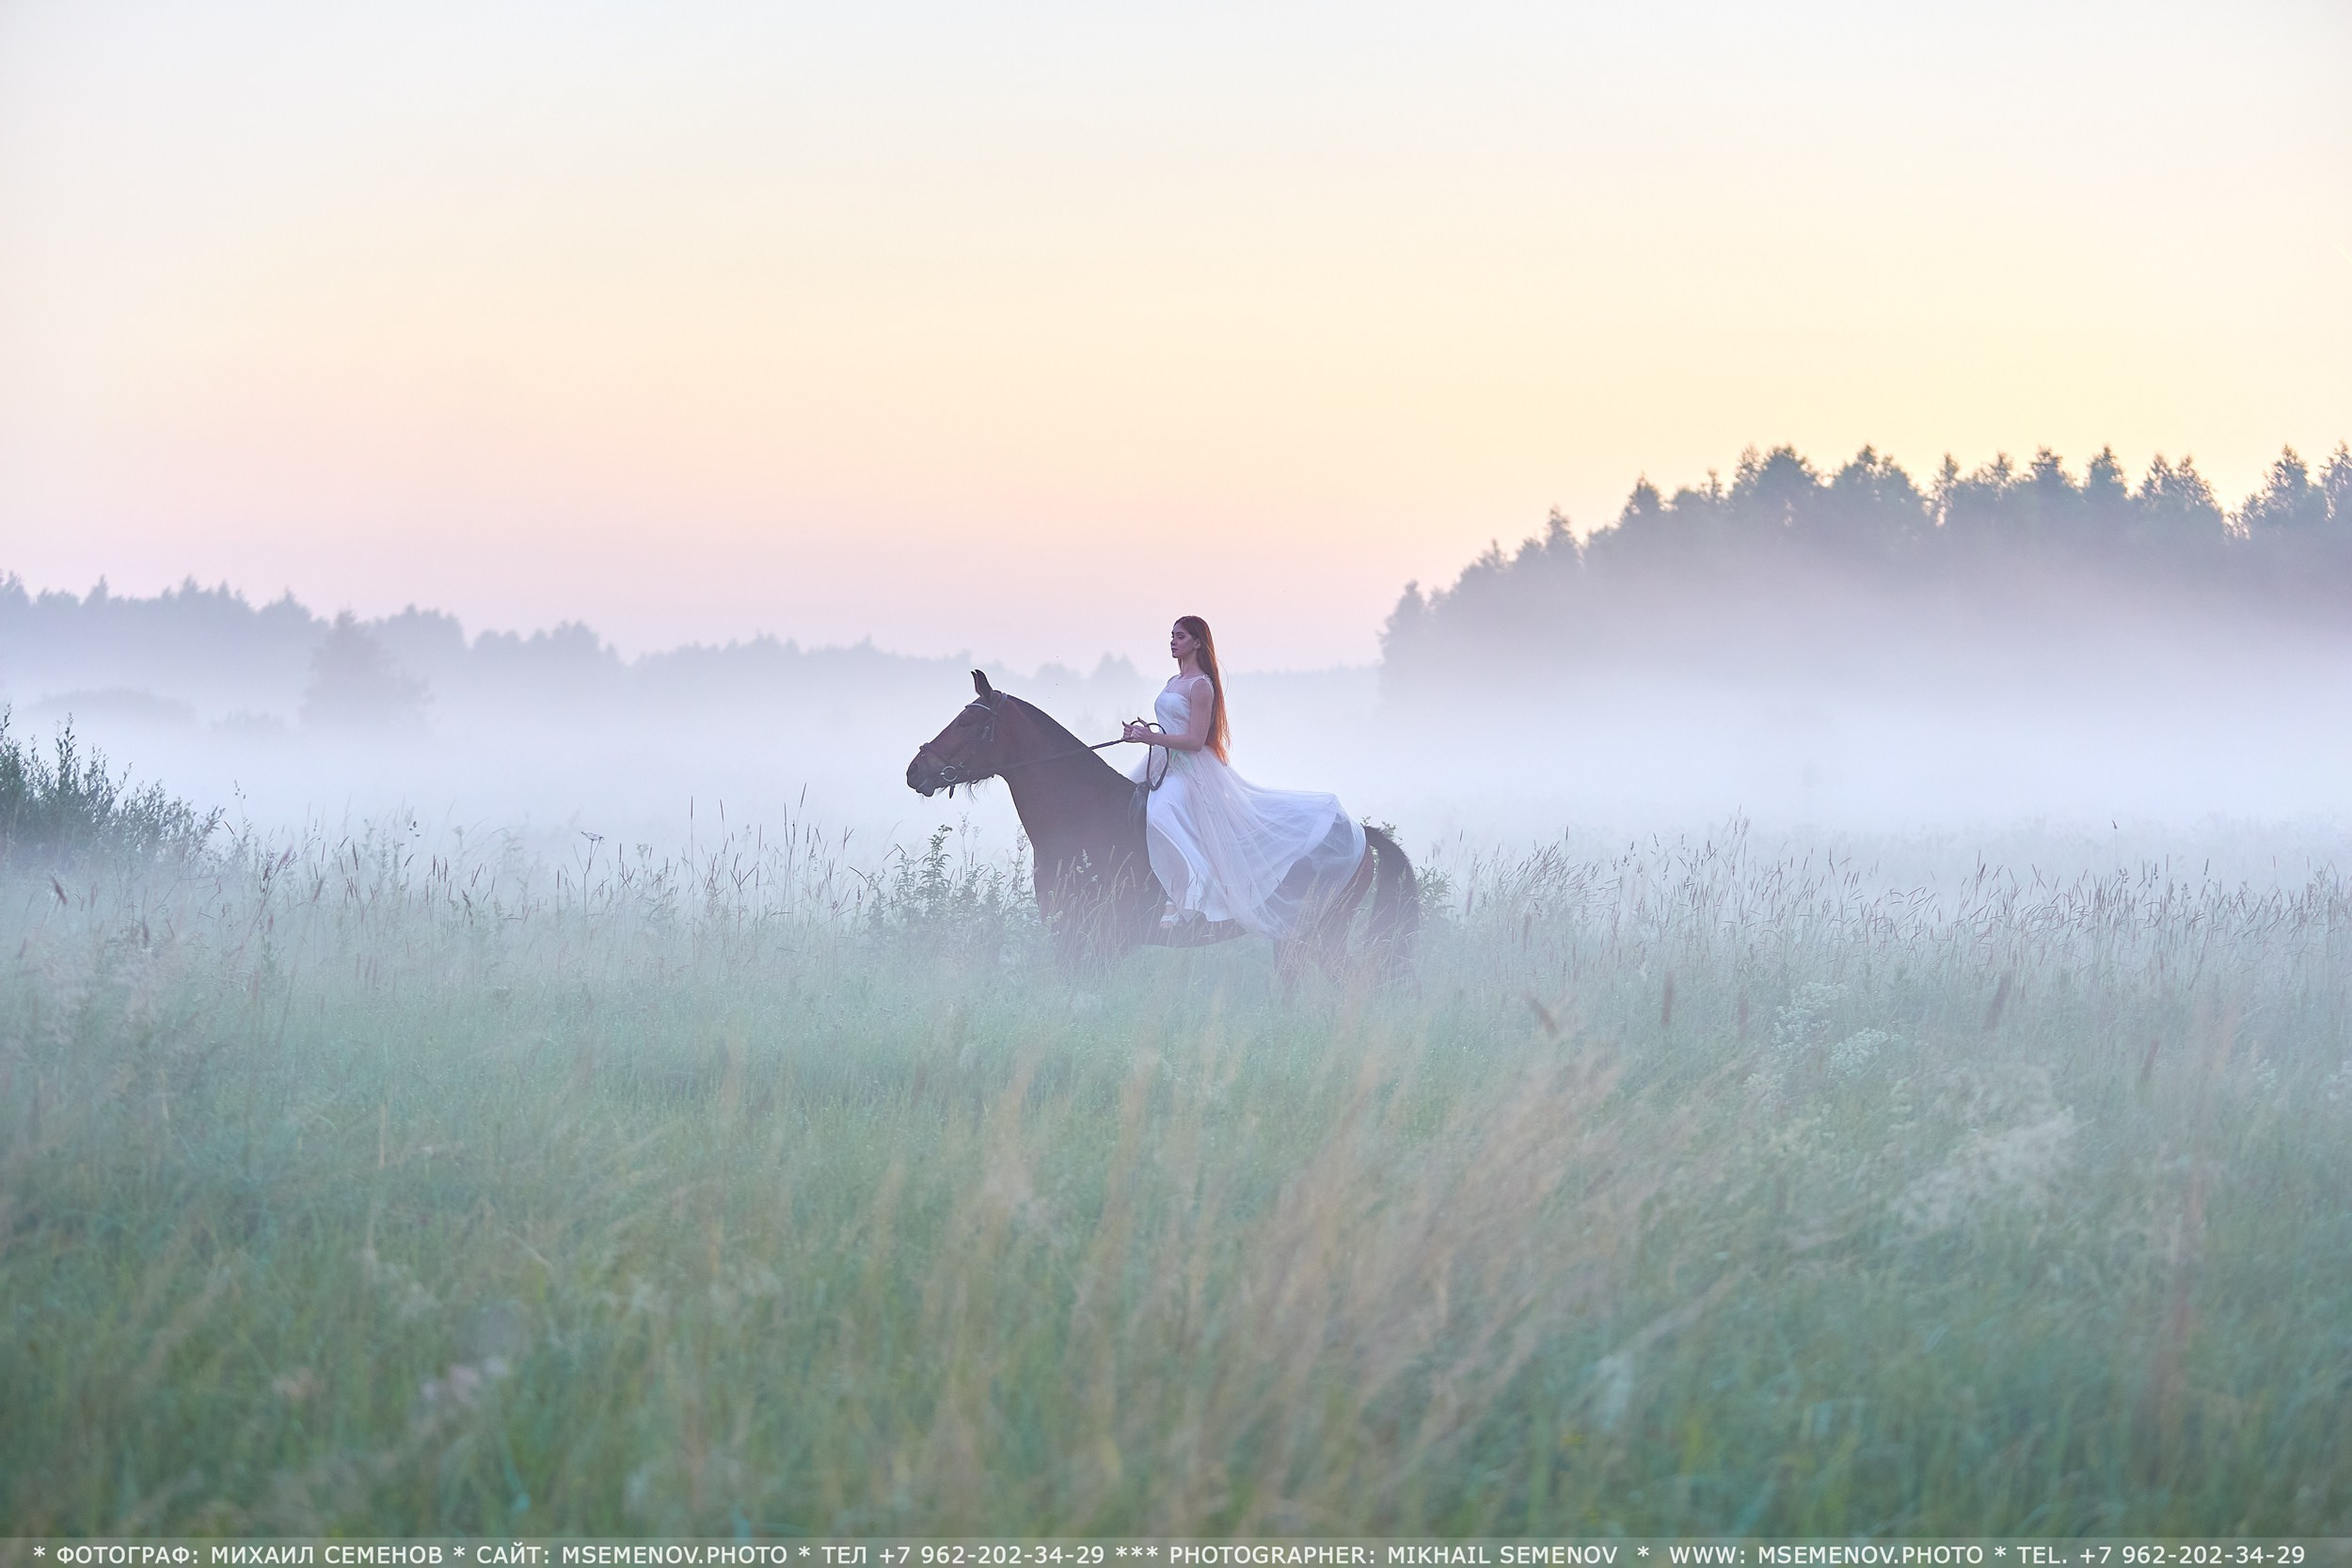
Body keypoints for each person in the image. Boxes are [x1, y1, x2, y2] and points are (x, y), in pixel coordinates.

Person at [1120, 616, 1366, 939]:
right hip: (1162, 762)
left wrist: (1151, 739)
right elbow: (1170, 729)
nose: (1172, 641)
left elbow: (1195, 742)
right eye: (1171, 636)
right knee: (1125, 805)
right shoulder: (1172, 681)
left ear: (1197, 642)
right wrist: (1140, 734)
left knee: (1162, 814)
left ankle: (1183, 900)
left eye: (1180, 637)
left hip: (1190, 769)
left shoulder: (1201, 686)